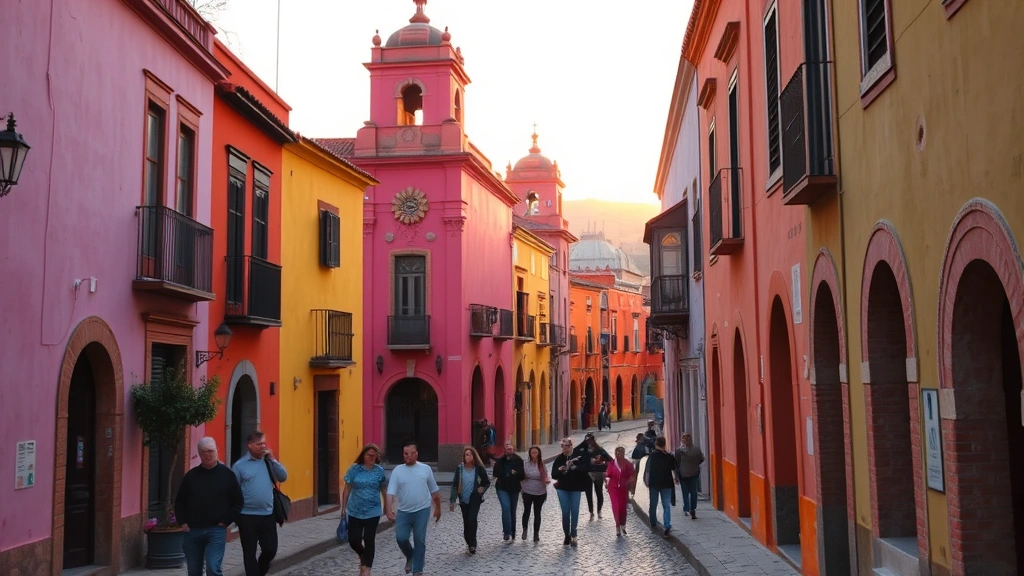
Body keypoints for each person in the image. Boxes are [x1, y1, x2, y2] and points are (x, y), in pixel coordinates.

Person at [174, 437, 243, 576]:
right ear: (199, 454)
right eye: (204, 451)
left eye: (211, 451)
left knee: (213, 568)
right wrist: (182, 523)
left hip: (216, 530)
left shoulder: (227, 475)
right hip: (192, 530)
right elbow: (180, 501)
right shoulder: (191, 476)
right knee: (194, 570)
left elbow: (238, 501)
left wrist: (226, 521)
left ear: (216, 451)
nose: (208, 454)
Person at [232, 431, 288, 576]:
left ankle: (260, 572)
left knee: (270, 550)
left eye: (264, 443)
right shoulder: (239, 466)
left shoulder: (268, 462)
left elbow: (283, 477)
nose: (263, 447)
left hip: (267, 514)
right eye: (259, 444)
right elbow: (233, 490)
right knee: (249, 552)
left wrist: (273, 459)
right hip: (246, 516)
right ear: (250, 446)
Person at [386, 442, 441, 576]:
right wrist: (388, 509)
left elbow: (434, 491)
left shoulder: (425, 469)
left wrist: (438, 508)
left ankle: (417, 570)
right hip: (404, 511)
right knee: (401, 538)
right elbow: (390, 492)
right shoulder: (398, 470)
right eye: (405, 453)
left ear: (417, 454)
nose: (408, 456)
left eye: (411, 453)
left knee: (419, 539)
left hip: (422, 510)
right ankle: (410, 555)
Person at [342, 444, 387, 576]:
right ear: (363, 456)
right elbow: (347, 488)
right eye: (369, 455)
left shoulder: (379, 471)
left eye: (374, 455)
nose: (372, 457)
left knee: (369, 539)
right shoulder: (354, 470)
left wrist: (386, 506)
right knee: (354, 540)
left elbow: (383, 488)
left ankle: (367, 568)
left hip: (373, 511)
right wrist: (343, 507)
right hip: (355, 510)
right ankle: (363, 555)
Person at [449, 446, 490, 554]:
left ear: (474, 456)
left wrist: (482, 489)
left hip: (475, 498)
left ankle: (473, 544)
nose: (468, 456)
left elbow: (486, 482)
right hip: (463, 499)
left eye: (470, 454)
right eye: (466, 454)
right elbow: (454, 485)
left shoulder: (479, 468)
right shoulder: (460, 469)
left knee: (472, 518)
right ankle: (468, 541)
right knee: (466, 522)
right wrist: (452, 500)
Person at [552, 437, 590, 546]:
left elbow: (585, 468)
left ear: (571, 446)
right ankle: (566, 535)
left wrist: (575, 468)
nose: (564, 448)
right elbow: (554, 475)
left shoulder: (578, 456)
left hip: (575, 487)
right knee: (565, 512)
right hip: (562, 488)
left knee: (574, 511)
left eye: (566, 446)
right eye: (562, 446)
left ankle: (574, 533)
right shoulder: (559, 459)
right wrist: (560, 471)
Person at [643, 436, 679, 537]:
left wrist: (646, 481)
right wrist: (676, 479)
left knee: (653, 504)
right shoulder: (669, 456)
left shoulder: (652, 456)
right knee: (666, 505)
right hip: (666, 483)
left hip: (654, 483)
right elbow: (674, 469)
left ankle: (653, 523)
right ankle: (667, 524)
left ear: (656, 444)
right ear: (664, 444)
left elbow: (648, 470)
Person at [492, 441, 525, 541]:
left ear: (513, 449)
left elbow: (522, 475)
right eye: (507, 448)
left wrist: (515, 474)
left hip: (514, 488)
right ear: (504, 451)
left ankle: (513, 531)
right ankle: (507, 532)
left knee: (512, 510)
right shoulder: (500, 461)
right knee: (506, 507)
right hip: (502, 487)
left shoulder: (518, 460)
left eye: (510, 448)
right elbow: (496, 473)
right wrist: (506, 474)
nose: (509, 450)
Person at [520, 445, 550, 542]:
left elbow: (545, 475)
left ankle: (536, 534)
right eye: (532, 452)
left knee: (537, 513)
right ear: (530, 454)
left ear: (539, 454)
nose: (534, 454)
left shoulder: (542, 464)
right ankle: (525, 529)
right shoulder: (526, 463)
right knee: (527, 511)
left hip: (540, 491)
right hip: (527, 490)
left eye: (536, 452)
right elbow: (523, 475)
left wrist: (546, 480)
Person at [605, 446, 635, 537]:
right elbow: (608, 474)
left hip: (623, 488)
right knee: (616, 506)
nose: (619, 454)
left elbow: (632, 474)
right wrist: (606, 479)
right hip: (613, 488)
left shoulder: (628, 464)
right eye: (617, 452)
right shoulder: (612, 463)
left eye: (621, 452)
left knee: (622, 507)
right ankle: (617, 527)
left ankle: (623, 524)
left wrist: (629, 482)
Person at [581, 433, 612, 519]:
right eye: (587, 441)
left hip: (598, 473)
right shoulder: (583, 451)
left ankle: (599, 511)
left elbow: (610, 460)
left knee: (599, 492)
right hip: (587, 474)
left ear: (593, 441)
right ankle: (591, 512)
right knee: (588, 494)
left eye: (590, 441)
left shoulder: (600, 450)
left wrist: (601, 461)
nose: (589, 443)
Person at [675, 433, 705, 520]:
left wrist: (676, 476)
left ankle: (687, 509)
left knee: (686, 493)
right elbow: (702, 459)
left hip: (684, 475)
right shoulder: (696, 450)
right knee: (693, 492)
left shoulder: (678, 451)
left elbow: (676, 464)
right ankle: (692, 508)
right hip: (693, 474)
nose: (686, 441)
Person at [629, 433, 651, 500]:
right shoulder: (644, 445)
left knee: (634, 476)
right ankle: (632, 491)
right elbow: (647, 453)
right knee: (635, 476)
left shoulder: (641, 445)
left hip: (637, 460)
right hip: (638, 460)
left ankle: (632, 491)